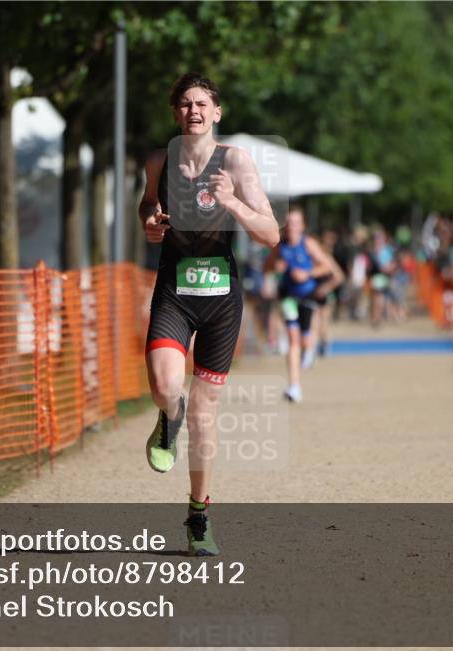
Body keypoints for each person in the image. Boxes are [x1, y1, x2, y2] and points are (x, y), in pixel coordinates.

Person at [140, 73, 279, 556]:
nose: (193, 110)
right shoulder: (160, 161)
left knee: (204, 413)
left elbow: (271, 233)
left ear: (217, 112)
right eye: (183, 104)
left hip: (221, 300)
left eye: (201, 103)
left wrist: (232, 202)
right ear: (175, 113)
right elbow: (146, 203)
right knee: (163, 387)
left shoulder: (235, 161)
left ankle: (198, 516)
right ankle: (166, 419)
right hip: (174, 292)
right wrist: (150, 222)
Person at [265, 206, 343, 403]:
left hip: (308, 295)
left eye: (296, 223)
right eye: (289, 223)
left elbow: (327, 266)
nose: (292, 227)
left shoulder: (308, 244)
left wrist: (307, 274)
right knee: (293, 338)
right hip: (288, 297)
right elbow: (266, 266)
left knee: (305, 340)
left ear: (303, 226)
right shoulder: (279, 246)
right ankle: (294, 387)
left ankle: (310, 350)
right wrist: (275, 268)